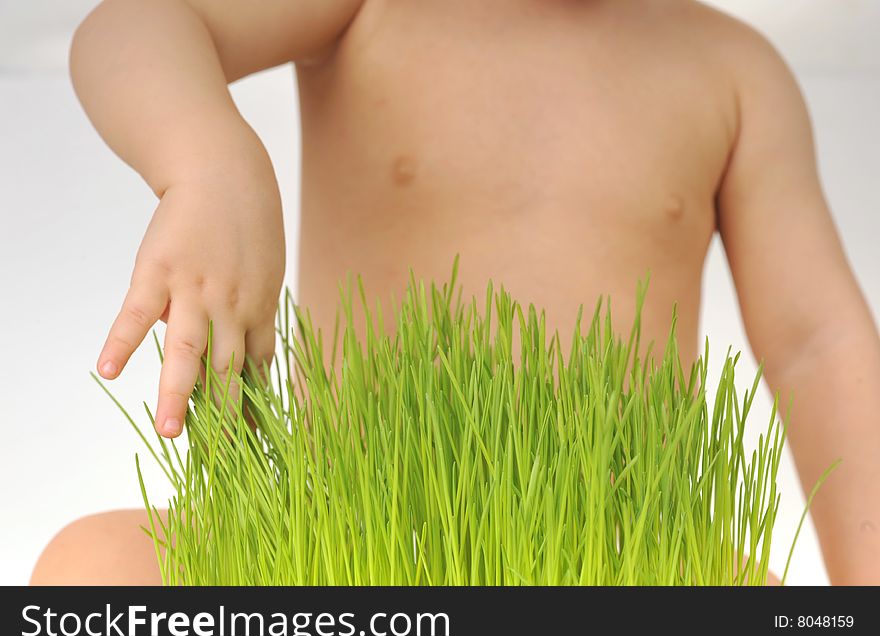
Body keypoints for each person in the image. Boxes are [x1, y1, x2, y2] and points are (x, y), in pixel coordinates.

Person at [31, 0, 880, 585]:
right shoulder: (374, 9)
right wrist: (208, 163)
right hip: (338, 544)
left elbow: (818, 342)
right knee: (93, 570)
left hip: (625, 555)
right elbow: (137, 23)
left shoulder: (734, 71)